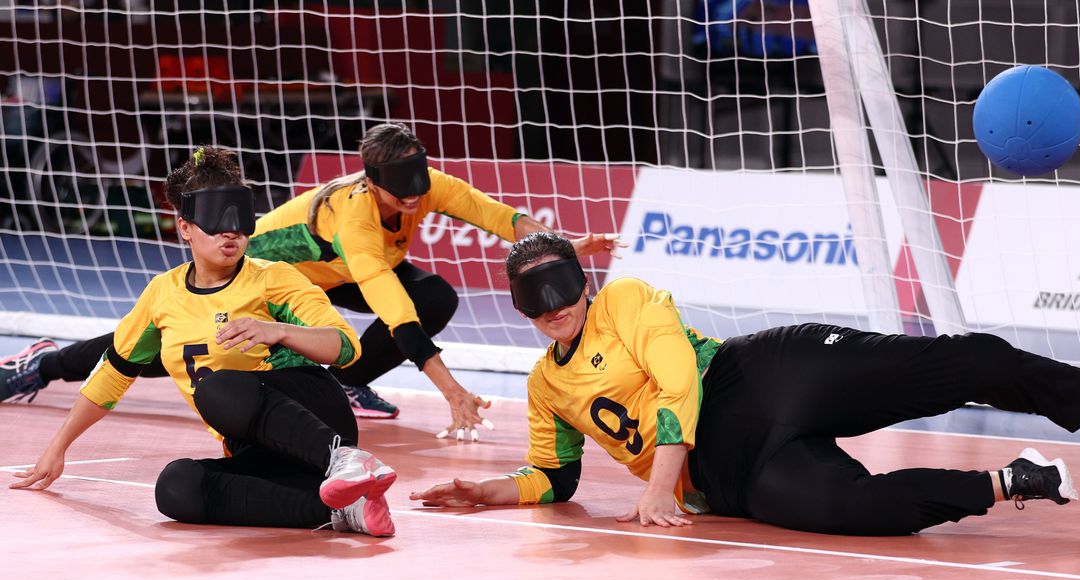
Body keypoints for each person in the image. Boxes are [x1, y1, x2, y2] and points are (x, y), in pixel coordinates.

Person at [409, 232, 1080, 536]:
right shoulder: (545, 386)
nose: (554, 312)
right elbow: (554, 476)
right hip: (728, 477)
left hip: (761, 378)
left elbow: (677, 387)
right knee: (859, 511)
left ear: (585, 283)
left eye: (563, 293)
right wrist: (491, 491)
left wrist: (655, 489)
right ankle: (1014, 481)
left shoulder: (627, 299)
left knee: (958, 364)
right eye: (536, 304)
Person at [0, 122, 621, 439]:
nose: (413, 203)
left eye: (418, 191)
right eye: (399, 196)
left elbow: (501, 218)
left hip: (334, 273)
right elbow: (395, 314)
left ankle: (344, 381)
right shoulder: (356, 220)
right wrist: (452, 390)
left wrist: (561, 243)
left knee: (435, 294)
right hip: (270, 274)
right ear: (370, 183)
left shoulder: (425, 186)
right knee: (167, 349)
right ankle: (45, 364)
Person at [8, 147, 398, 538]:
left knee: (216, 388)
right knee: (177, 487)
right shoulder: (162, 294)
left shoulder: (272, 279)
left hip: (316, 418)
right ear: (185, 227)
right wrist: (58, 446)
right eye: (216, 221)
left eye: (240, 222)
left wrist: (277, 331)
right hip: (255, 447)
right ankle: (344, 510)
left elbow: (346, 347)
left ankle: (346, 460)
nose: (231, 232)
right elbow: (114, 373)